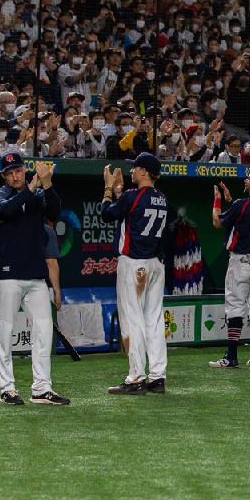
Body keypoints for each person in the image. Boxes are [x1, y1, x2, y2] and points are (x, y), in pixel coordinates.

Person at [0, 155, 69, 405]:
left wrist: (47, 185)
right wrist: (32, 188)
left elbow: (54, 212)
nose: (15, 175)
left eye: (19, 170)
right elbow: (5, 210)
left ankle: (42, 388)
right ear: (4, 175)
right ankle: (7, 388)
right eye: (10, 172)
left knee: (44, 329)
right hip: (6, 274)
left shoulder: (37, 194)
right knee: (5, 329)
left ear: (24, 170)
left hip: (35, 275)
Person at [102, 153, 170, 394]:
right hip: (155, 264)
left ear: (144, 172)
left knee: (133, 319)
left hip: (134, 263)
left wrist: (109, 189)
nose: (131, 171)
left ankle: (136, 378)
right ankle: (157, 377)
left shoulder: (133, 195)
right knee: (153, 320)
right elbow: (129, 212)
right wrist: (120, 193)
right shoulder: (162, 197)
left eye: (135, 168)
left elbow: (106, 213)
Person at [207, 171, 250, 370]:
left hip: (242, 260)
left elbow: (217, 222)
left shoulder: (241, 204)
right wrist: (231, 202)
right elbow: (248, 215)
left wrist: (217, 201)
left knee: (235, 306)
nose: (246, 180)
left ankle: (231, 356)